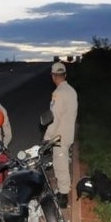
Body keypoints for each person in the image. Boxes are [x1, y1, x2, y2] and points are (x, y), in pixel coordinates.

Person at [43, 62, 78, 208]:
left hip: (59, 136)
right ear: (65, 75)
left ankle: (63, 197)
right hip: (68, 133)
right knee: (62, 162)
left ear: (53, 76)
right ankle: (62, 191)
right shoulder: (71, 91)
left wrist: (47, 137)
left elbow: (54, 117)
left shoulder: (58, 93)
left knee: (60, 164)